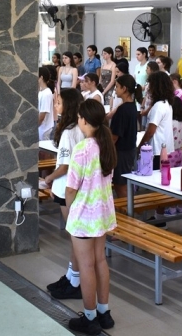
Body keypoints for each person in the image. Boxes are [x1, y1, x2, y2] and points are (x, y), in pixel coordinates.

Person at [65, 99, 117, 334]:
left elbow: (71, 189)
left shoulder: (82, 149)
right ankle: (104, 313)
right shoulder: (106, 145)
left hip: (84, 215)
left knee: (86, 265)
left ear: (84, 120)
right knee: (100, 261)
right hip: (102, 213)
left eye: (79, 117)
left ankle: (89, 317)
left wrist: (70, 210)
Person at [44, 89, 85, 301]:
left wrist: (48, 178)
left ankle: (76, 281)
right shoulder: (78, 128)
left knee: (75, 237)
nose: (56, 105)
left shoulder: (70, 132)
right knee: (73, 237)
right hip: (71, 186)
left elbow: (65, 166)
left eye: (59, 102)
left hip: (68, 187)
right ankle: (71, 276)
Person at [110, 75, 141, 198]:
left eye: (117, 87)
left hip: (122, 151)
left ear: (124, 89)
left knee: (120, 184)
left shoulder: (123, 110)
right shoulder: (131, 106)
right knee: (121, 182)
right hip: (129, 149)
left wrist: (106, 149)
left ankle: (127, 208)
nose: (115, 89)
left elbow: (115, 136)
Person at [142, 71, 174, 169]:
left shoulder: (158, 106)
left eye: (151, 85)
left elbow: (150, 131)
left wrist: (140, 146)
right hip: (164, 148)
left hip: (156, 149)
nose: (149, 89)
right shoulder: (166, 103)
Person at [37, 67, 56, 141]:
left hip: (45, 129)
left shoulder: (47, 93)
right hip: (41, 128)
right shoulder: (41, 92)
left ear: (41, 77)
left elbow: (43, 114)